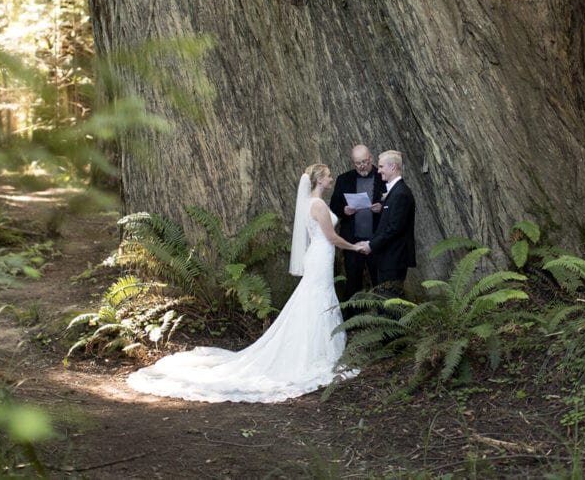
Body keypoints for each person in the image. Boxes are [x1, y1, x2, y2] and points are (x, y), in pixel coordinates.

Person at [126, 164, 361, 403]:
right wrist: (355, 246)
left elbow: (325, 232)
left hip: (319, 254)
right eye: (329, 175)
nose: (332, 178)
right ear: (320, 180)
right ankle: (315, 353)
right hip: (321, 254)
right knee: (317, 298)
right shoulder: (318, 204)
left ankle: (314, 350)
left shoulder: (310, 204)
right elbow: (330, 237)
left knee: (315, 299)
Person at [329, 144, 386, 302]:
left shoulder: (383, 177)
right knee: (353, 282)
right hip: (352, 239)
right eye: (358, 163)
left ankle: (385, 320)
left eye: (365, 162)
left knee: (380, 282)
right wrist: (344, 210)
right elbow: (334, 205)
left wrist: (382, 208)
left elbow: (394, 205)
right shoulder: (344, 179)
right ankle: (354, 322)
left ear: (371, 159)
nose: (362, 166)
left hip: (377, 240)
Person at [356, 150, 416, 301]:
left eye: (381, 166)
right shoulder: (394, 191)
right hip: (387, 257)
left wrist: (371, 245)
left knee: (390, 303)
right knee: (385, 301)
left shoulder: (401, 193)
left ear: (393, 167)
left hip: (394, 258)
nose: (379, 170)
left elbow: (393, 229)